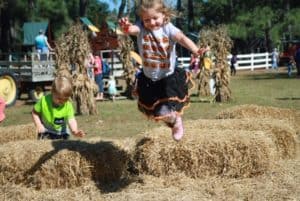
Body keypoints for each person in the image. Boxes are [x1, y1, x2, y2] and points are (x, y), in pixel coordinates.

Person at [119, 0, 206, 141]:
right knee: (158, 112)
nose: (152, 22)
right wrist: (126, 27)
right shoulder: (141, 28)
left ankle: (176, 121)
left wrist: (195, 50)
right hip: (149, 79)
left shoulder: (168, 28)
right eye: (147, 19)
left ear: (164, 15)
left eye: (155, 18)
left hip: (168, 78)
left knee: (166, 109)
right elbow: (132, 30)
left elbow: (182, 38)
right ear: (142, 19)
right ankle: (174, 122)